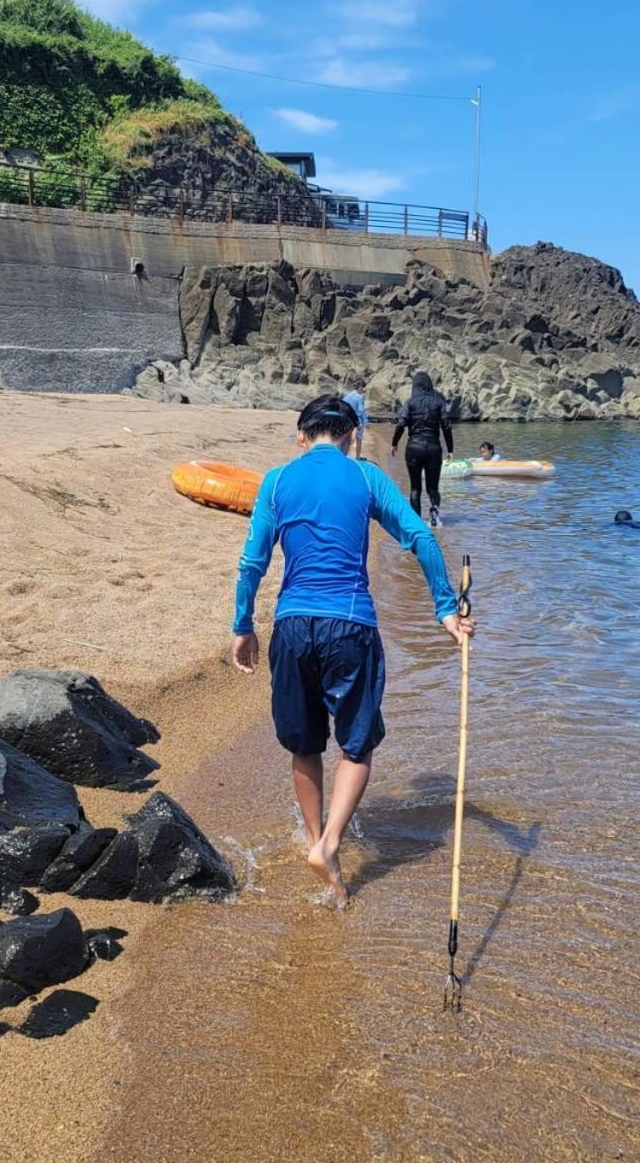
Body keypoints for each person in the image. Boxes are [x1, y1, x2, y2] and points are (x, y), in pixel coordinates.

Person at [232, 394, 475, 907]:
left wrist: (243, 625)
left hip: (293, 624)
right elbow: (420, 538)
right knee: (356, 746)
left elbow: (251, 560)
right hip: (350, 625)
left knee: (304, 743)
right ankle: (331, 845)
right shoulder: (365, 477)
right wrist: (445, 608)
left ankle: (312, 837)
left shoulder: (276, 480)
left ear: (302, 437)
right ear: (351, 434)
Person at [391, 371, 453, 528]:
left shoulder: (410, 402)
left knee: (415, 487)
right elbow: (446, 426)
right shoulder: (438, 402)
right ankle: (434, 511)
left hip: (414, 448)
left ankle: (417, 523)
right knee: (433, 487)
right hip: (433, 448)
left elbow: (400, 424)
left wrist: (394, 443)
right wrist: (450, 449)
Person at [341, 380, 369, 458]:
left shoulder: (346, 396)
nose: (364, 390)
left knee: (348, 439)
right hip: (357, 421)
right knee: (359, 439)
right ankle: (357, 458)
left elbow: (342, 407)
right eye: (363, 388)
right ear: (360, 387)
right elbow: (361, 410)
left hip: (347, 420)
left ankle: (347, 456)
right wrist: (366, 422)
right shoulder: (360, 397)